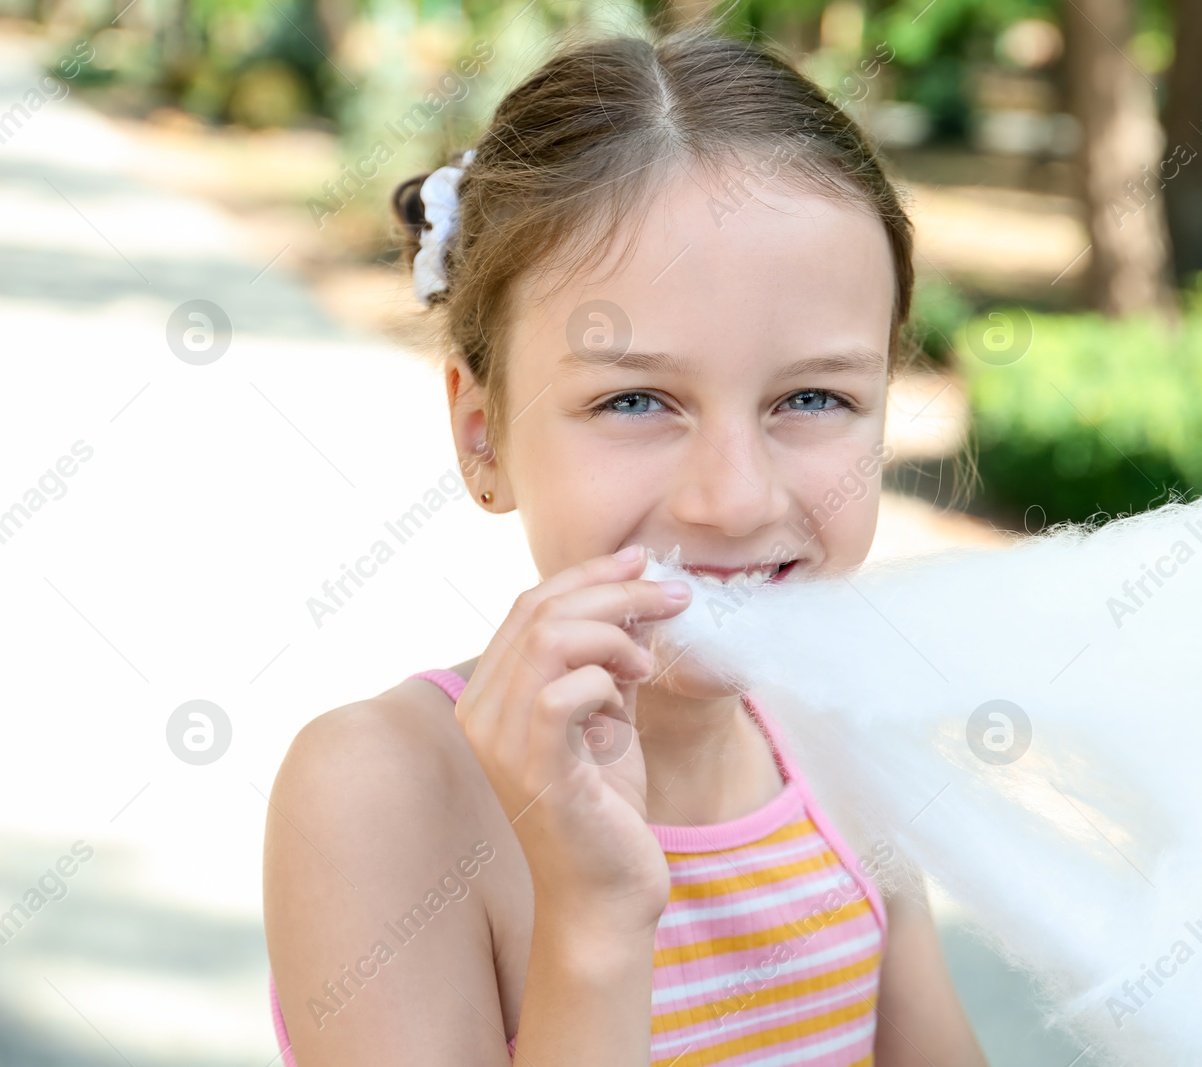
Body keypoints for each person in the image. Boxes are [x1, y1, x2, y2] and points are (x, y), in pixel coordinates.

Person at [261, 22, 989, 1067]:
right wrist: (596, 914)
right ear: (483, 435)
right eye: (636, 398)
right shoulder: (383, 791)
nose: (733, 500)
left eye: (814, 396)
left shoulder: (835, 737)